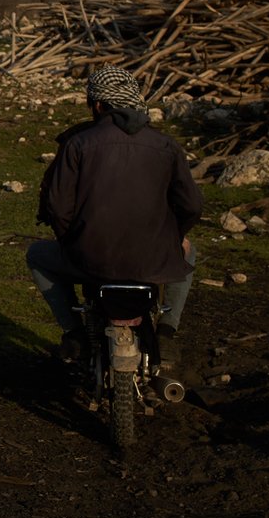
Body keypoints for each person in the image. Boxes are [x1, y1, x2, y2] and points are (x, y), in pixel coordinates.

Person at [27, 66, 203, 369]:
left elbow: (57, 207)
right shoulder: (166, 145)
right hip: (153, 260)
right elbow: (191, 206)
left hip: (89, 260)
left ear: (97, 105)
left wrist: (72, 240)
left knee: (37, 255)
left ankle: (73, 333)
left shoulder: (77, 143)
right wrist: (174, 238)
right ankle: (166, 332)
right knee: (189, 252)